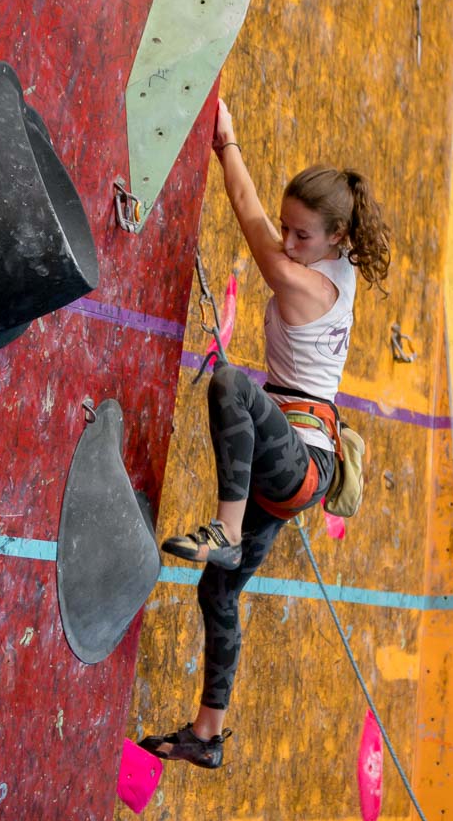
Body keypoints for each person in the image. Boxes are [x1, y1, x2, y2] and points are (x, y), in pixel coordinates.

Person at [139, 98, 390, 770]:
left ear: (337, 237)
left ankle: (223, 531)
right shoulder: (339, 262)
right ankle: (207, 735)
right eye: (288, 228)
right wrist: (225, 141)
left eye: (302, 235)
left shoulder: (303, 282)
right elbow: (264, 220)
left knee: (229, 384)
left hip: (301, 459)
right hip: (288, 453)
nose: (288, 242)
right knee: (217, 592)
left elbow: (248, 218)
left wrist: (228, 146)